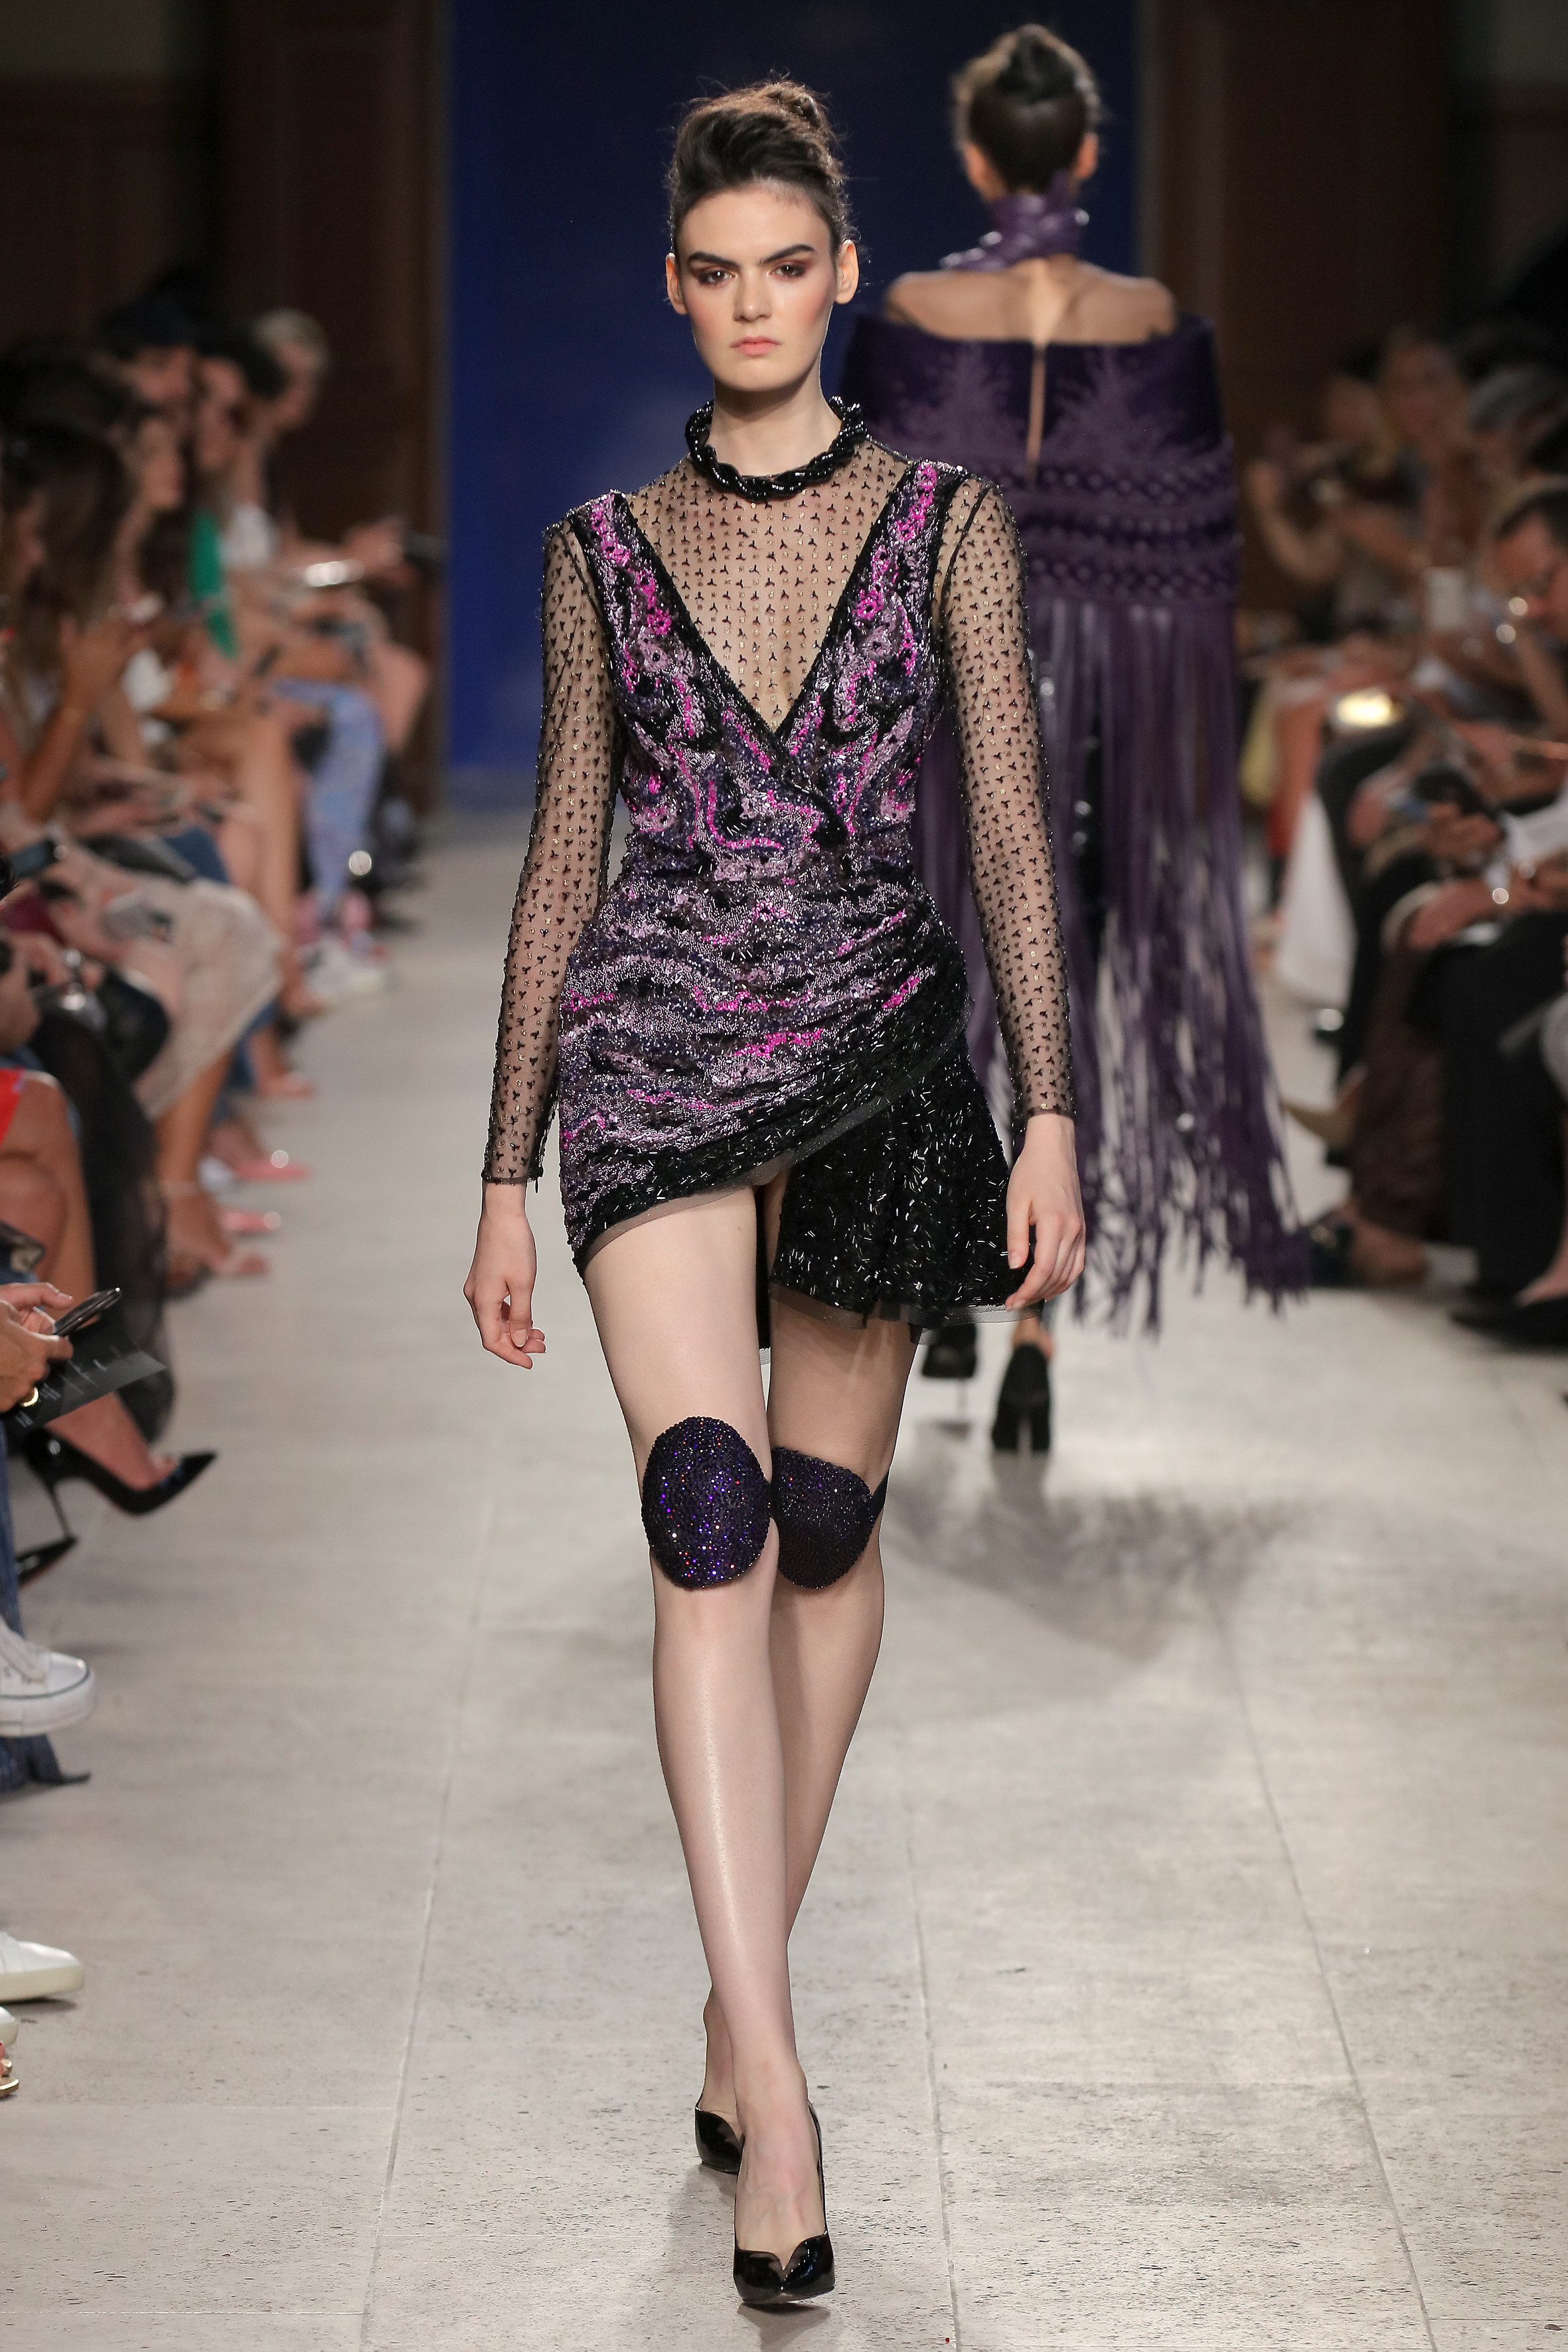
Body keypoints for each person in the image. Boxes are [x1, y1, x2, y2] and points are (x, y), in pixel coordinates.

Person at [465, 80, 1083, 2309]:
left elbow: (1006, 829)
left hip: (882, 1051)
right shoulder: (598, 551)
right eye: (716, 273)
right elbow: (563, 858)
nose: (752, 304)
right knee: (707, 1515)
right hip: (650, 1050)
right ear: (675, 287)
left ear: (842, 279)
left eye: (787, 269)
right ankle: (786, 2089)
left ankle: (738, 2010)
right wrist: (503, 1166)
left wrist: (1053, 1111)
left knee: (825, 1533)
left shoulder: (945, 526)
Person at [839, 25, 1299, 1445]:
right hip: (1099, 718)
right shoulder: (1149, 317)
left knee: (933, 977)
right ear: (1085, 153)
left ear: (976, 159)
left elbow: (856, 524)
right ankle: (1034, 1330)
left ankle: (939, 1291)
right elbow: (1195, 554)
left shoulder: (914, 307)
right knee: (1063, 982)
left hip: (940, 712)